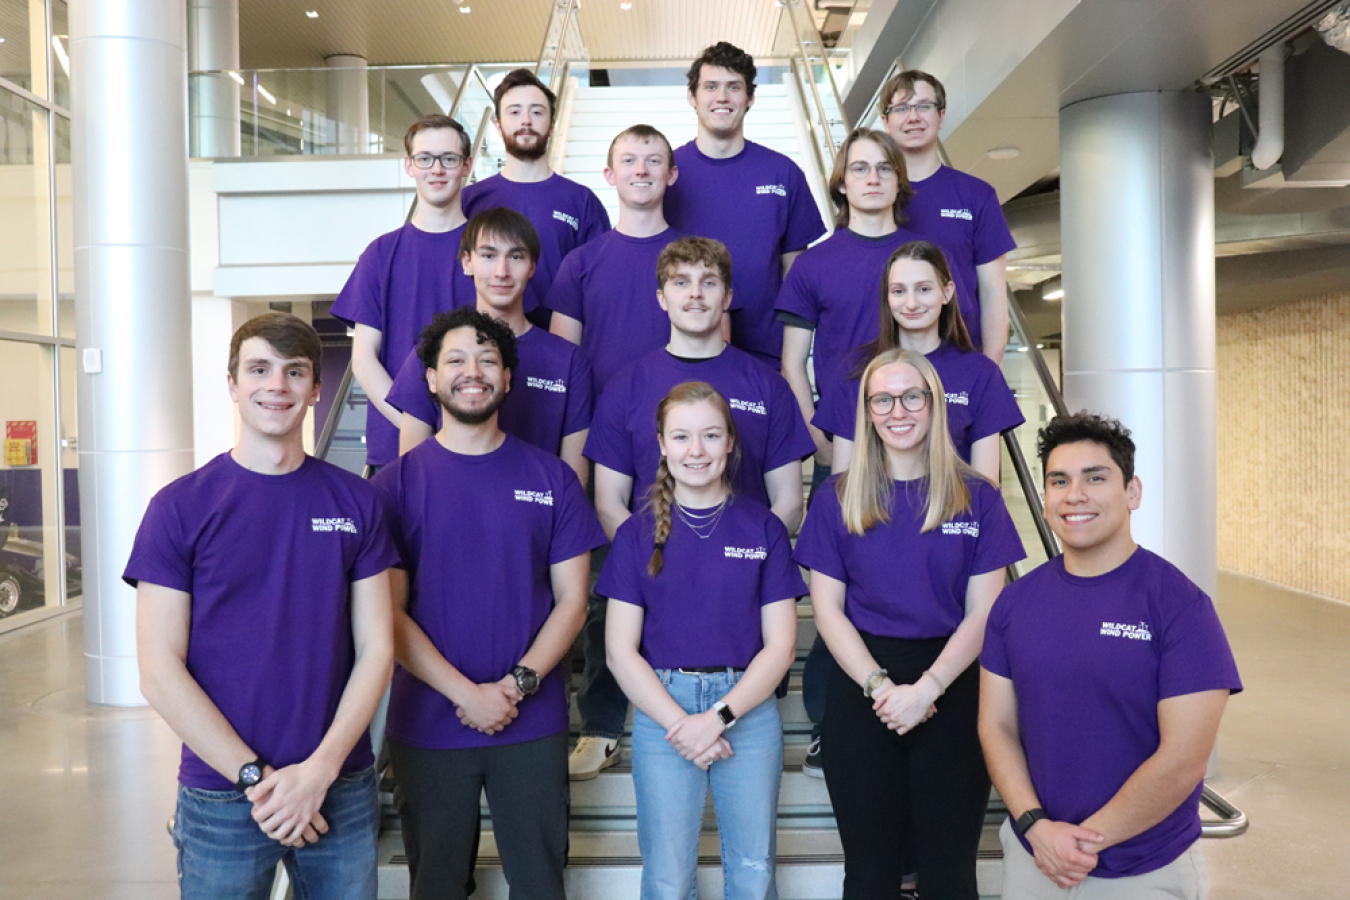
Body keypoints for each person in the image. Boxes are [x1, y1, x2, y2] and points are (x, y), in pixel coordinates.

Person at [128, 313, 397, 899]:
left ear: (315, 388)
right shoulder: (178, 509)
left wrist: (320, 772)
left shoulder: (357, 502)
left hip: (338, 786)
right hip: (222, 791)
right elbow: (158, 669)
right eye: (259, 369)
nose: (276, 385)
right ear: (232, 384)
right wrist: (258, 778)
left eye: (294, 371)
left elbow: (378, 649)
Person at [373, 308, 606, 900]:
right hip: (427, 726)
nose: (471, 372)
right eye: (454, 360)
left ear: (507, 378)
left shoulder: (553, 479)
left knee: (539, 883)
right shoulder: (393, 486)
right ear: (429, 379)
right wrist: (467, 695)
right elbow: (387, 616)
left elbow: (574, 601)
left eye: (486, 361)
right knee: (437, 884)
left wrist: (517, 685)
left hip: (530, 722)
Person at [571, 236, 815, 780]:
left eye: (709, 283)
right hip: (652, 584)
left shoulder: (767, 386)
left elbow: (789, 501)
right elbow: (609, 501)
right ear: (661, 297)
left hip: (744, 605)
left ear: (728, 295)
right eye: (681, 282)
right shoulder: (626, 387)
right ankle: (602, 727)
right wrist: (654, 565)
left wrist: (743, 566)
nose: (696, 294)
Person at [793, 348, 1025, 900]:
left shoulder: (978, 499)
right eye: (883, 399)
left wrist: (928, 689)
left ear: (934, 404)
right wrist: (881, 687)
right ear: (868, 411)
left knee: (948, 873)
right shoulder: (836, 499)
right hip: (862, 687)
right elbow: (826, 610)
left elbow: (985, 610)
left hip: (954, 681)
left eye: (912, 396)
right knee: (870, 875)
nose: (898, 410)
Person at [979, 413, 1242, 900]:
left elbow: (1184, 760)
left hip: (1144, 867)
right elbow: (997, 727)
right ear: (1044, 498)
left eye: (1095, 478)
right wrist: (1038, 828)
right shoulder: (1015, 604)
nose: (1074, 495)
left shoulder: (1180, 605)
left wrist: (1080, 842)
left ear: (1132, 492)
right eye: (1059, 481)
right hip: (1034, 857)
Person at [601, 381, 802, 900]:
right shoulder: (634, 534)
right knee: (667, 877)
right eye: (683, 437)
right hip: (662, 713)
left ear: (730, 443)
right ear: (662, 444)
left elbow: (780, 648)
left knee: (753, 870)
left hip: (748, 713)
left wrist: (717, 720)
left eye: (711, 436)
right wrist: (681, 725)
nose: (697, 450)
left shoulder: (763, 528)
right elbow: (619, 652)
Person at [386, 208, 593, 485]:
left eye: (516, 257)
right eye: (488, 255)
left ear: (532, 266)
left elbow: (574, 479)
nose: (501, 272)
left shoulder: (568, 360)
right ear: (467, 262)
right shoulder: (435, 350)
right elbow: (411, 470)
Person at [665, 41, 827, 368]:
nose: (722, 97)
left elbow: (796, 271)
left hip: (767, 354)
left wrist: (792, 357)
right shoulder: (668, 174)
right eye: (710, 86)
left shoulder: (783, 173)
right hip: (684, 351)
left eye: (733, 87)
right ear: (691, 96)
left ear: (750, 98)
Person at [332, 114, 478, 473]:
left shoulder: (489, 253)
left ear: (467, 166)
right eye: (425, 158)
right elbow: (364, 360)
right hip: (395, 450)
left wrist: (459, 432)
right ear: (409, 166)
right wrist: (417, 427)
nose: (437, 169)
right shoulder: (381, 254)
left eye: (449, 158)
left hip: (476, 443)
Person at [776, 128, 921, 486]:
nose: (873, 178)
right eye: (860, 168)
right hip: (842, 438)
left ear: (899, 181)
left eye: (884, 168)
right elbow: (792, 363)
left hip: (917, 436)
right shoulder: (812, 264)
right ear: (842, 184)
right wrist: (817, 441)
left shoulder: (925, 257)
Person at [818, 240, 1023, 480]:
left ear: (947, 293)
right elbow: (843, 482)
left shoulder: (981, 374)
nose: (911, 303)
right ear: (887, 297)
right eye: (898, 291)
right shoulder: (855, 370)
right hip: (874, 515)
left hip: (956, 514)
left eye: (923, 289)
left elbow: (986, 485)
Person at [879, 70, 1016, 363]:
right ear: (885, 121)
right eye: (901, 108)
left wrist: (989, 370)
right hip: (887, 362)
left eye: (924, 106)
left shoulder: (977, 196)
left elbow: (993, 294)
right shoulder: (871, 197)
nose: (913, 117)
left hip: (961, 358)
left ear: (941, 116)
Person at [462, 68, 611, 321]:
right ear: (498, 125)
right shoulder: (469, 200)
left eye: (537, 112)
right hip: (484, 346)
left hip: (562, 344)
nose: (526, 121)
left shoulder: (582, 202)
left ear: (552, 125)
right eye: (515, 112)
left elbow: (600, 284)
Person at [548, 124, 684, 391]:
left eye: (653, 161)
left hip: (681, 420)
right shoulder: (578, 263)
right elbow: (562, 363)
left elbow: (716, 352)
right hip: (600, 419)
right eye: (628, 160)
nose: (641, 170)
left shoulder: (698, 261)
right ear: (610, 174)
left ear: (671, 174)